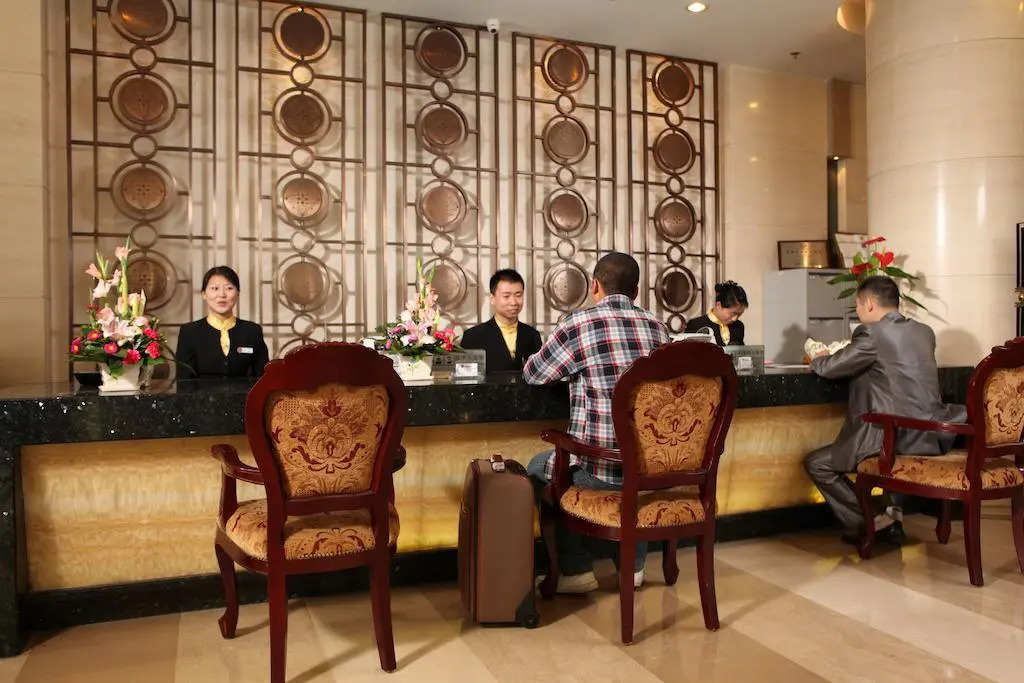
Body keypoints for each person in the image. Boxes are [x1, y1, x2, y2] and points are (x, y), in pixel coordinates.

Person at [523, 252, 671, 593]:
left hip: (600, 470)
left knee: (538, 468)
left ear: (594, 286)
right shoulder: (658, 328)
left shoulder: (578, 323)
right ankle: (632, 566)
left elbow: (534, 373)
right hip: (653, 469)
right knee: (634, 467)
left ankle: (575, 570)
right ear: (636, 291)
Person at [804, 275, 965, 544]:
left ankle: (874, 520)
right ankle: (891, 515)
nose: (857, 311)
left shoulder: (870, 333)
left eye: (857, 305)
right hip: (930, 435)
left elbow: (831, 368)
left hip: (892, 437)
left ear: (869, 304)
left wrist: (817, 358)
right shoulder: (924, 332)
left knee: (818, 464)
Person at [175, 266, 269, 379]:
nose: (222, 295)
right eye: (215, 288)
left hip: (245, 391)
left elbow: (263, 378)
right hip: (202, 391)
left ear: (237, 293)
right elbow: (184, 380)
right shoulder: (189, 332)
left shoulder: (252, 331)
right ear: (204, 294)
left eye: (229, 288)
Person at [461, 269, 543, 372]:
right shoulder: (472, 337)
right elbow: (465, 377)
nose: (513, 302)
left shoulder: (532, 335)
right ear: (492, 299)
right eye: (506, 296)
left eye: (518, 295)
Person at [684, 280, 748, 345]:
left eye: (740, 314)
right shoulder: (696, 325)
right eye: (733, 313)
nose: (735, 318)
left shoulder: (738, 326)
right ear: (718, 305)